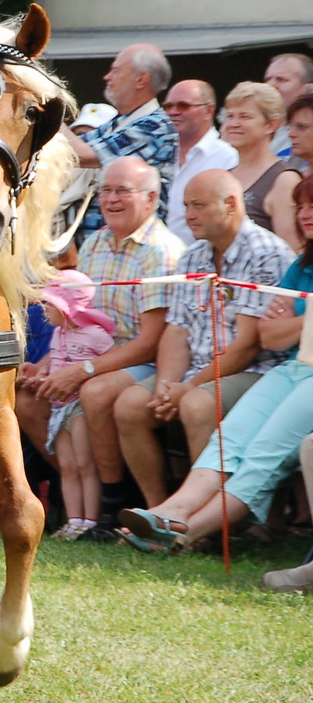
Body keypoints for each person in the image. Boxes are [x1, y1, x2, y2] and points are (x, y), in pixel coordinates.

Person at [119, 175, 313, 554]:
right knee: (230, 442)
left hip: (282, 371)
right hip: (292, 368)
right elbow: (270, 335)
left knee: (262, 453)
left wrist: (295, 321)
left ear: (230, 203)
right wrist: (170, 384)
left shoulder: (267, 252)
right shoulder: (304, 264)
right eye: (301, 207)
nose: (305, 215)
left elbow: (257, 343)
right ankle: (165, 511)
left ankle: (187, 532)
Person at [17, 157, 185, 537]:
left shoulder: (162, 251)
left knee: (94, 393)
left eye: (122, 191)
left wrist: (81, 370)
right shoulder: (94, 243)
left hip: (144, 361)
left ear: (151, 198)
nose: (110, 199)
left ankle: (114, 504)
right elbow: (78, 319)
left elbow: (150, 343)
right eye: (106, 190)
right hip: (91, 353)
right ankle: (80, 500)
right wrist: (47, 364)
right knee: (26, 399)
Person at [36, 272, 117, 540]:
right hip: (58, 408)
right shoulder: (58, 333)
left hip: (79, 407)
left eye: (50, 304)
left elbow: (113, 361)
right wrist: (38, 377)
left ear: (67, 307)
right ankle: (73, 521)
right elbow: (57, 365)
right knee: (68, 465)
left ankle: (90, 521)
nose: (44, 309)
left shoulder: (95, 335)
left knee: (85, 463)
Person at [66, 44, 178, 239]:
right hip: (102, 246)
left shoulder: (155, 126)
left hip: (138, 249)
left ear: (141, 79)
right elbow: (67, 149)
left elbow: (82, 155)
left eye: (116, 70)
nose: (107, 77)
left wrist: (47, 109)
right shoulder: (116, 124)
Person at [221, 81, 301, 249]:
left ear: (271, 125)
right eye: (230, 116)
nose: (234, 124)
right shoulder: (224, 176)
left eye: (245, 116)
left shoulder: (284, 180)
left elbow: (290, 250)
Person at [161, 80, 237, 242]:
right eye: (168, 106)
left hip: (202, 260)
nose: (173, 112)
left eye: (183, 106)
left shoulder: (227, 157)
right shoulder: (160, 153)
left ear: (209, 110)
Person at [263, 52, 313, 159]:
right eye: (268, 79)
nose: (270, 86)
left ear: (307, 88)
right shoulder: (256, 127)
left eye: (281, 79)